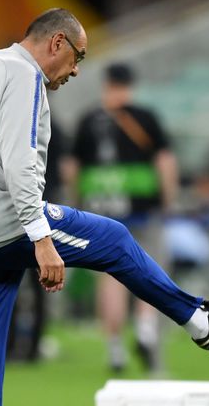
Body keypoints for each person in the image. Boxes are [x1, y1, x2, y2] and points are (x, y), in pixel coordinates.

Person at [0, 8, 209, 405]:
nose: (77, 70)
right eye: (78, 56)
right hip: (1, 225)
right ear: (56, 42)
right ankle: (203, 323)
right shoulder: (23, 75)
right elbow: (21, 162)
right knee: (113, 239)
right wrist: (41, 238)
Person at [67, 62, 178, 374]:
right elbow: (165, 162)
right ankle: (144, 329)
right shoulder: (145, 118)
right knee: (148, 269)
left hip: (101, 210)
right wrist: (167, 201)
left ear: (107, 84)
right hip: (142, 208)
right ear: (130, 85)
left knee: (110, 280)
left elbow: (73, 169)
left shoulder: (88, 119)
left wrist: (76, 205)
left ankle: (115, 349)